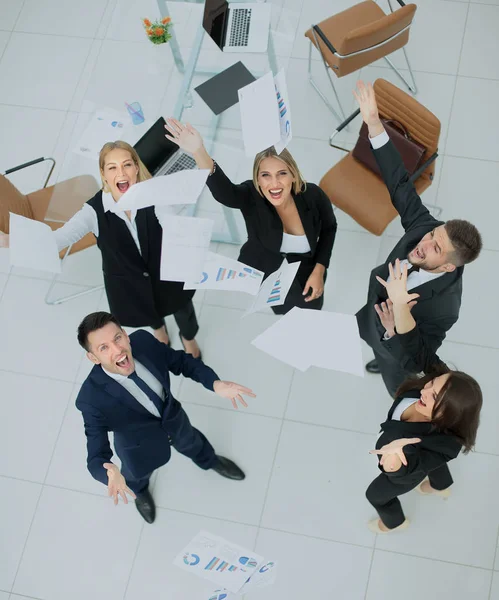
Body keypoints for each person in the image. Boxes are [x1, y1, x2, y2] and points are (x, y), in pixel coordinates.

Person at [0, 141, 201, 357]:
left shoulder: (154, 196)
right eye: (112, 167)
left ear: (136, 168)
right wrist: (13, 239)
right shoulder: (93, 211)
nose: (121, 173)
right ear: (103, 174)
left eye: (127, 165)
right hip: (128, 281)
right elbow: (59, 238)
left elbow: (174, 224)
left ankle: (188, 338)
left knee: (182, 308)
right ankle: (159, 330)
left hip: (166, 272)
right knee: (147, 310)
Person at [353, 81, 483, 396]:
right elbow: (399, 182)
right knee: (367, 335)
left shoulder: (445, 308)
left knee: (389, 368)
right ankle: (373, 342)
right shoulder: (424, 228)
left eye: (436, 248)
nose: (423, 244)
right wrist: (374, 125)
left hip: (395, 351)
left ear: (449, 267)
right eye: (432, 235)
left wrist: (391, 329)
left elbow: (419, 358)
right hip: (371, 313)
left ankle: (378, 353)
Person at [76, 311, 255, 524]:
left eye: (117, 338)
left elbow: (181, 362)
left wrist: (214, 383)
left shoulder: (143, 342)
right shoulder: (91, 398)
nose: (118, 350)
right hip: (137, 447)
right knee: (135, 476)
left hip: (174, 420)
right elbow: (96, 455)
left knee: (193, 443)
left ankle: (210, 460)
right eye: (103, 348)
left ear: (125, 334)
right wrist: (109, 472)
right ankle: (141, 492)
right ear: (93, 357)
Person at [164, 118, 337, 314]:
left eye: (282, 173)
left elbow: (329, 228)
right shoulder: (252, 195)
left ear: (294, 175)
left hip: (307, 270)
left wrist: (320, 269)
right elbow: (225, 193)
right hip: (265, 269)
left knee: (311, 306)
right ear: (257, 179)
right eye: (265, 175)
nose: (274, 184)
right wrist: (198, 151)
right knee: (281, 307)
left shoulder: (313, 195)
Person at [366, 367, 482, 533]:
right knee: (434, 462)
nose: (425, 391)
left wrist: (391, 456)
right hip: (424, 456)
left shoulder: (442, 444)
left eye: (434, 396)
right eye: (433, 383)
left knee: (374, 496)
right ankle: (440, 485)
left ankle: (393, 522)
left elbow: (400, 470)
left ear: (448, 413)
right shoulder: (421, 393)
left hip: (405, 473)